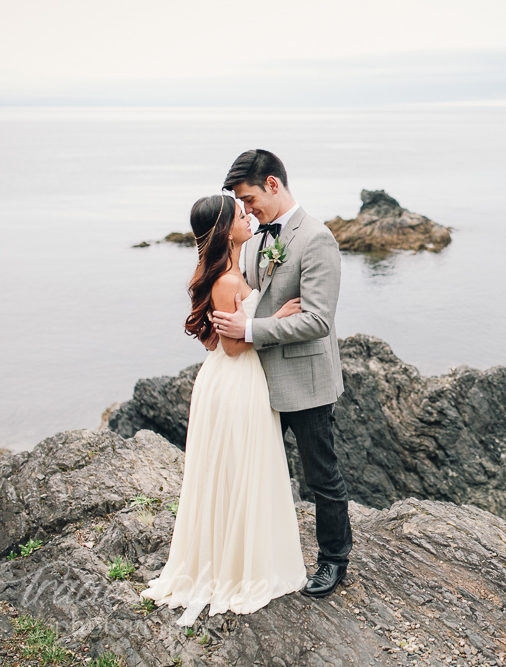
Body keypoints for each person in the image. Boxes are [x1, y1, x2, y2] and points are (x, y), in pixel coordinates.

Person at [140, 194, 308, 626]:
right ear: (224, 230)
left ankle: (230, 555)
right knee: (241, 468)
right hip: (237, 381)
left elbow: (217, 339)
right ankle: (237, 567)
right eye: (239, 215)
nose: (247, 216)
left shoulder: (225, 271)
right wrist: (279, 320)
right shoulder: (228, 281)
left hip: (226, 380)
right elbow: (233, 346)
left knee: (230, 471)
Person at [211, 149, 352, 598]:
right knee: (262, 474)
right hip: (256, 382)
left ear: (273, 184)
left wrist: (252, 328)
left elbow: (318, 320)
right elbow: (247, 298)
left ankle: (334, 560)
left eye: (250, 199)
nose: (247, 211)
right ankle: (265, 558)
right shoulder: (253, 242)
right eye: (242, 205)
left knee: (321, 476)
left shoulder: (317, 239)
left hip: (306, 382)